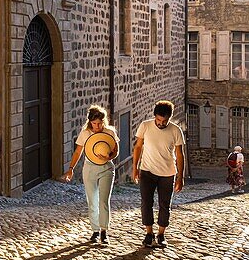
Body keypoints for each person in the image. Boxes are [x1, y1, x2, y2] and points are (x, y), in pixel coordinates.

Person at [132, 100, 185, 248]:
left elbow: (180, 155)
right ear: (154, 116)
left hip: (168, 173)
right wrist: (135, 168)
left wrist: (180, 177)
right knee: (146, 203)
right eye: (158, 120)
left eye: (164, 121)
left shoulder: (175, 130)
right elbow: (138, 147)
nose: (161, 123)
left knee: (164, 205)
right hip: (147, 170)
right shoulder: (145, 126)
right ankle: (149, 233)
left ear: (169, 118)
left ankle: (161, 234)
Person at [62, 105, 119, 243]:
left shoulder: (110, 132)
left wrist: (108, 157)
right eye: (94, 123)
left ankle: (104, 231)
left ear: (103, 121)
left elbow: (115, 151)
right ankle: (95, 230)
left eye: (99, 123)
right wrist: (71, 168)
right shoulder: (85, 133)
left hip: (106, 168)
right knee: (92, 201)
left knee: (103, 200)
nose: (97, 126)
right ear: (90, 122)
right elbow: (78, 152)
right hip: (89, 169)